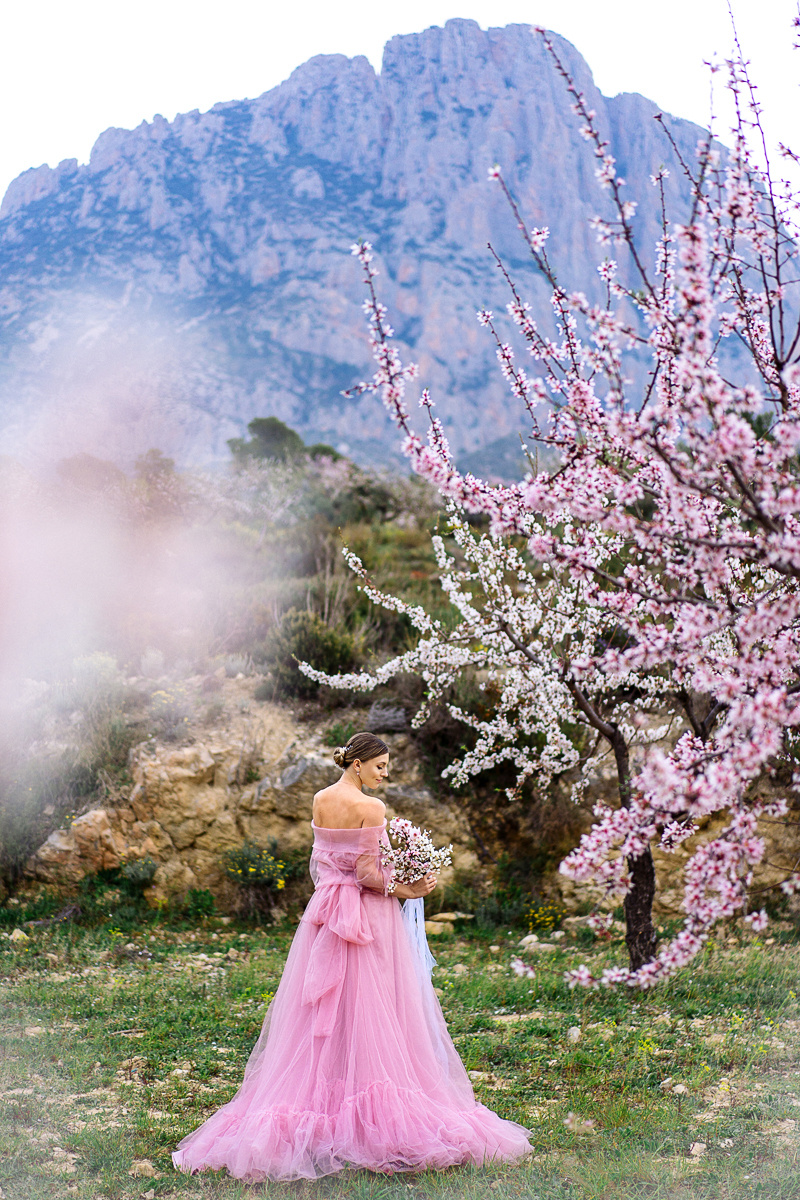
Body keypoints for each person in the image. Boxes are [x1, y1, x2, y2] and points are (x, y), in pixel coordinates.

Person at [172, 731, 531, 1181]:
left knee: (327, 1008)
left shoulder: (321, 799)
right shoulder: (371, 807)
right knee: (373, 1006)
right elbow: (365, 874)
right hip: (366, 917)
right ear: (357, 764)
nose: (385, 774)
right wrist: (409, 888)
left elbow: (323, 864)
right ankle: (369, 1115)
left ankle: (323, 1101)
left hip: (325, 913)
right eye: (380, 766)